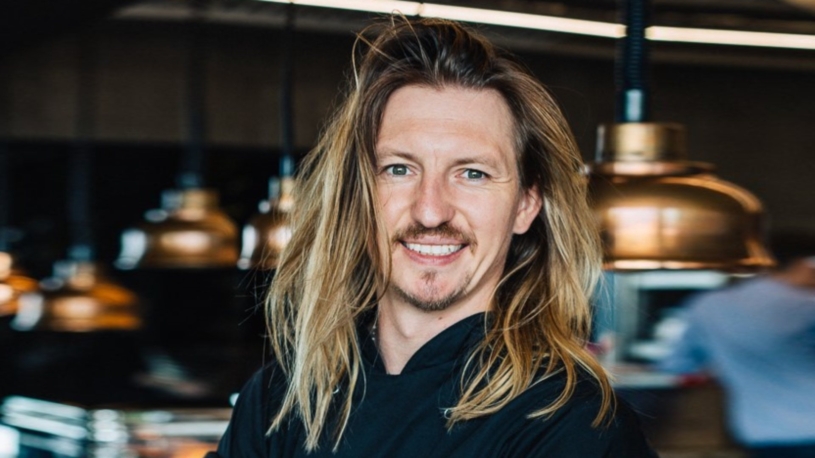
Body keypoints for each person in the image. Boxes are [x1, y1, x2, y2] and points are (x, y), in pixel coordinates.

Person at [216, 17, 657, 457]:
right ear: (356, 195)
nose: (430, 211)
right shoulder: (280, 399)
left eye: (472, 173)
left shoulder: (573, 423)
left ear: (526, 204)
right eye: (399, 169)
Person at [659, 232, 815, 458]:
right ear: (804, 264)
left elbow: (677, 364)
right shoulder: (808, 307)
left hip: (763, 434)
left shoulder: (708, 305)